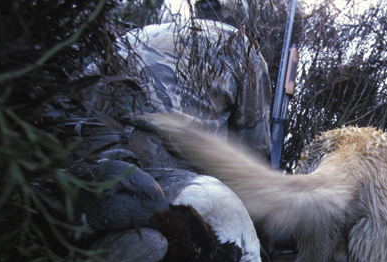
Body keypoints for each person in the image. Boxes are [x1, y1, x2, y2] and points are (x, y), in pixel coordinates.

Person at [86, 0, 272, 158]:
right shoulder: (241, 46)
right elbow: (253, 150)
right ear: (243, 27)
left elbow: (84, 82)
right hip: (159, 164)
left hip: (90, 149)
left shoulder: (143, 33)